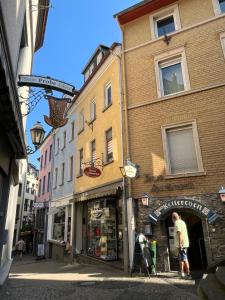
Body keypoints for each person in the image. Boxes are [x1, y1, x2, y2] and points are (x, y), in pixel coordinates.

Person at [172, 212, 191, 279]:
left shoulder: (177, 223)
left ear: (173, 218)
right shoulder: (182, 222)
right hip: (184, 243)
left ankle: (188, 274)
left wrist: (180, 244)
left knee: (184, 259)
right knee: (181, 259)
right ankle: (182, 272)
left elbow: (180, 233)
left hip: (182, 244)